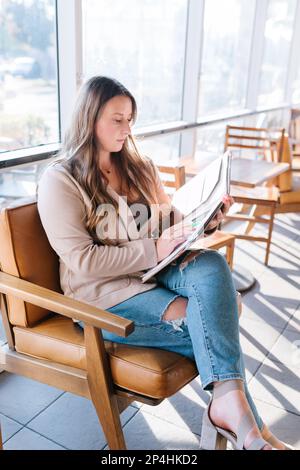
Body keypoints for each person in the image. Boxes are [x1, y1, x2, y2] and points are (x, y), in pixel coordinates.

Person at [37, 76, 291, 451]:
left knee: (213, 265)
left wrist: (207, 219)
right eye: (117, 120)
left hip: (154, 274)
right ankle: (251, 431)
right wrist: (154, 250)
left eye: (130, 120)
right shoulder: (61, 180)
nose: (127, 129)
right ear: (89, 119)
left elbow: (170, 222)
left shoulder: (139, 166)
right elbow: (83, 261)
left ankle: (233, 417)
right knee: (215, 318)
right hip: (105, 296)